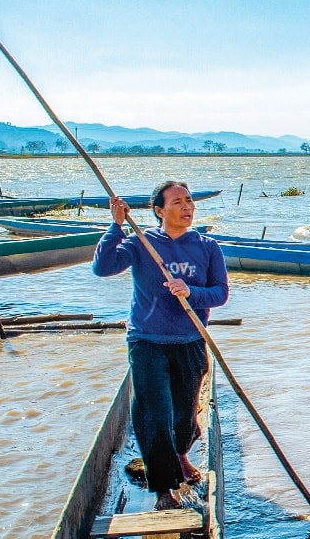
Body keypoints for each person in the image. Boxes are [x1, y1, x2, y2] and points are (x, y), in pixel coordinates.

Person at [94, 182, 229, 510]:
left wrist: (191, 292)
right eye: (178, 202)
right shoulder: (141, 243)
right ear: (159, 210)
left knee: (184, 418)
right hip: (147, 340)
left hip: (190, 339)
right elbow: (103, 267)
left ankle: (180, 454)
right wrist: (116, 225)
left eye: (190, 201)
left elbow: (220, 293)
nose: (187, 207)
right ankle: (164, 491)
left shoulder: (207, 247)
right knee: (154, 414)